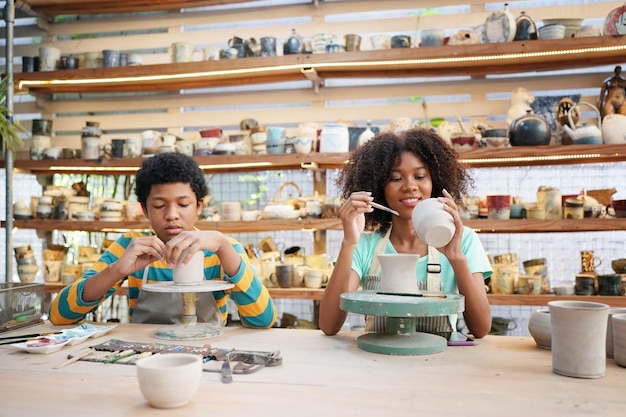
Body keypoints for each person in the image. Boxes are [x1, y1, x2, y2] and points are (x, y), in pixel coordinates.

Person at [49, 152, 277, 328]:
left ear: (199, 206)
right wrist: (117, 270)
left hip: (206, 354)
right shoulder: (131, 247)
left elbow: (263, 320)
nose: (171, 214)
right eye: (159, 205)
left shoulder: (221, 250)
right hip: (143, 356)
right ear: (145, 209)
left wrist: (223, 247)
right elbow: (59, 315)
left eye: (183, 204)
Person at [319, 128, 492, 338]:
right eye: (396, 178)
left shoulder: (463, 240)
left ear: (435, 182)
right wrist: (348, 242)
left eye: (419, 176)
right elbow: (329, 325)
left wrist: (456, 258)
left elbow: (481, 328)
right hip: (377, 364)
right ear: (379, 187)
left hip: (439, 365)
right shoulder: (364, 244)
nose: (410, 186)